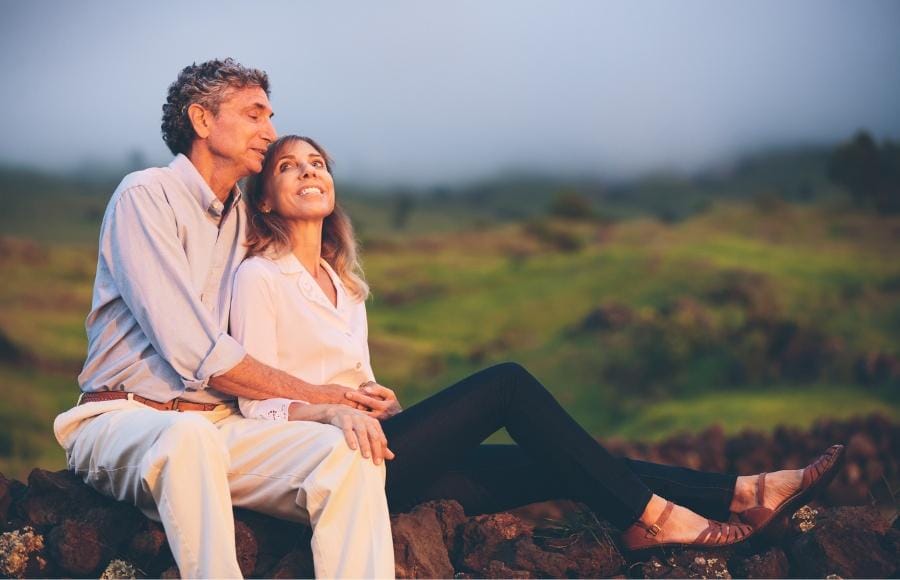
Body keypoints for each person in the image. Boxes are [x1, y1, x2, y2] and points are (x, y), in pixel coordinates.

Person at [231, 133, 847, 554]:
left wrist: (379, 402)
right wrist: (334, 406)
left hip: (388, 455)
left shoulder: (347, 288)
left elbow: (355, 381)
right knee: (506, 385)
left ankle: (744, 493)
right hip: (330, 465)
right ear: (264, 198)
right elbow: (254, 405)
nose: (310, 171)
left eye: (317, 163)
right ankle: (656, 519)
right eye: (289, 166)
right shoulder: (259, 278)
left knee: (568, 461)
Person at [52, 60, 395, 579]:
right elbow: (197, 352)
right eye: (254, 114)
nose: (270, 132)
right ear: (202, 120)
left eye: (270, 116)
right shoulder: (145, 197)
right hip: (123, 419)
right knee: (187, 441)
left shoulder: (244, 216)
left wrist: (354, 397)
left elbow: (297, 287)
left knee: (348, 453)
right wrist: (328, 398)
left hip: (219, 427)